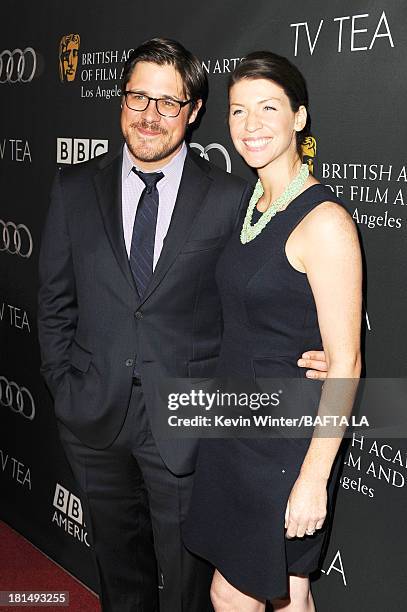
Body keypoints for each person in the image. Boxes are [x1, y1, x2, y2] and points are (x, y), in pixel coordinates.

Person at [38, 39, 328, 612]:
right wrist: (65, 386)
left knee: (192, 591)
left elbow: (263, 287)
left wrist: (314, 352)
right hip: (94, 416)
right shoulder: (74, 189)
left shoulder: (230, 197)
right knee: (120, 581)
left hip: (191, 423)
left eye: (168, 103)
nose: (150, 115)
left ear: (194, 111)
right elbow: (53, 303)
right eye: (138, 97)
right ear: (120, 101)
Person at [183, 51, 362, 611]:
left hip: (284, 443)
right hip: (236, 427)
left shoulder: (325, 223)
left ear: (299, 118)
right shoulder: (249, 202)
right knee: (288, 595)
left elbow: (347, 361)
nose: (250, 125)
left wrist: (313, 478)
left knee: (234, 594)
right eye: (238, 111)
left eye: (268, 107)